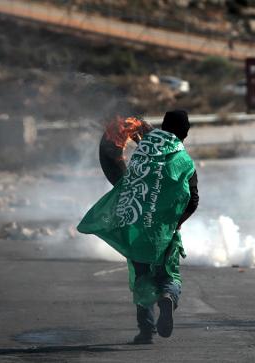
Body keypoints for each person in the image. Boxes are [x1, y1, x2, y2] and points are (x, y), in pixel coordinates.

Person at [77, 110, 199, 345]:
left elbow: (130, 186)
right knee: (168, 273)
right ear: (185, 133)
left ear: (163, 127)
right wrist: (177, 223)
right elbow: (193, 200)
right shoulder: (184, 161)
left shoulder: (143, 152)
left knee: (142, 276)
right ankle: (167, 296)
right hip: (164, 230)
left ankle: (146, 331)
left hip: (137, 228)